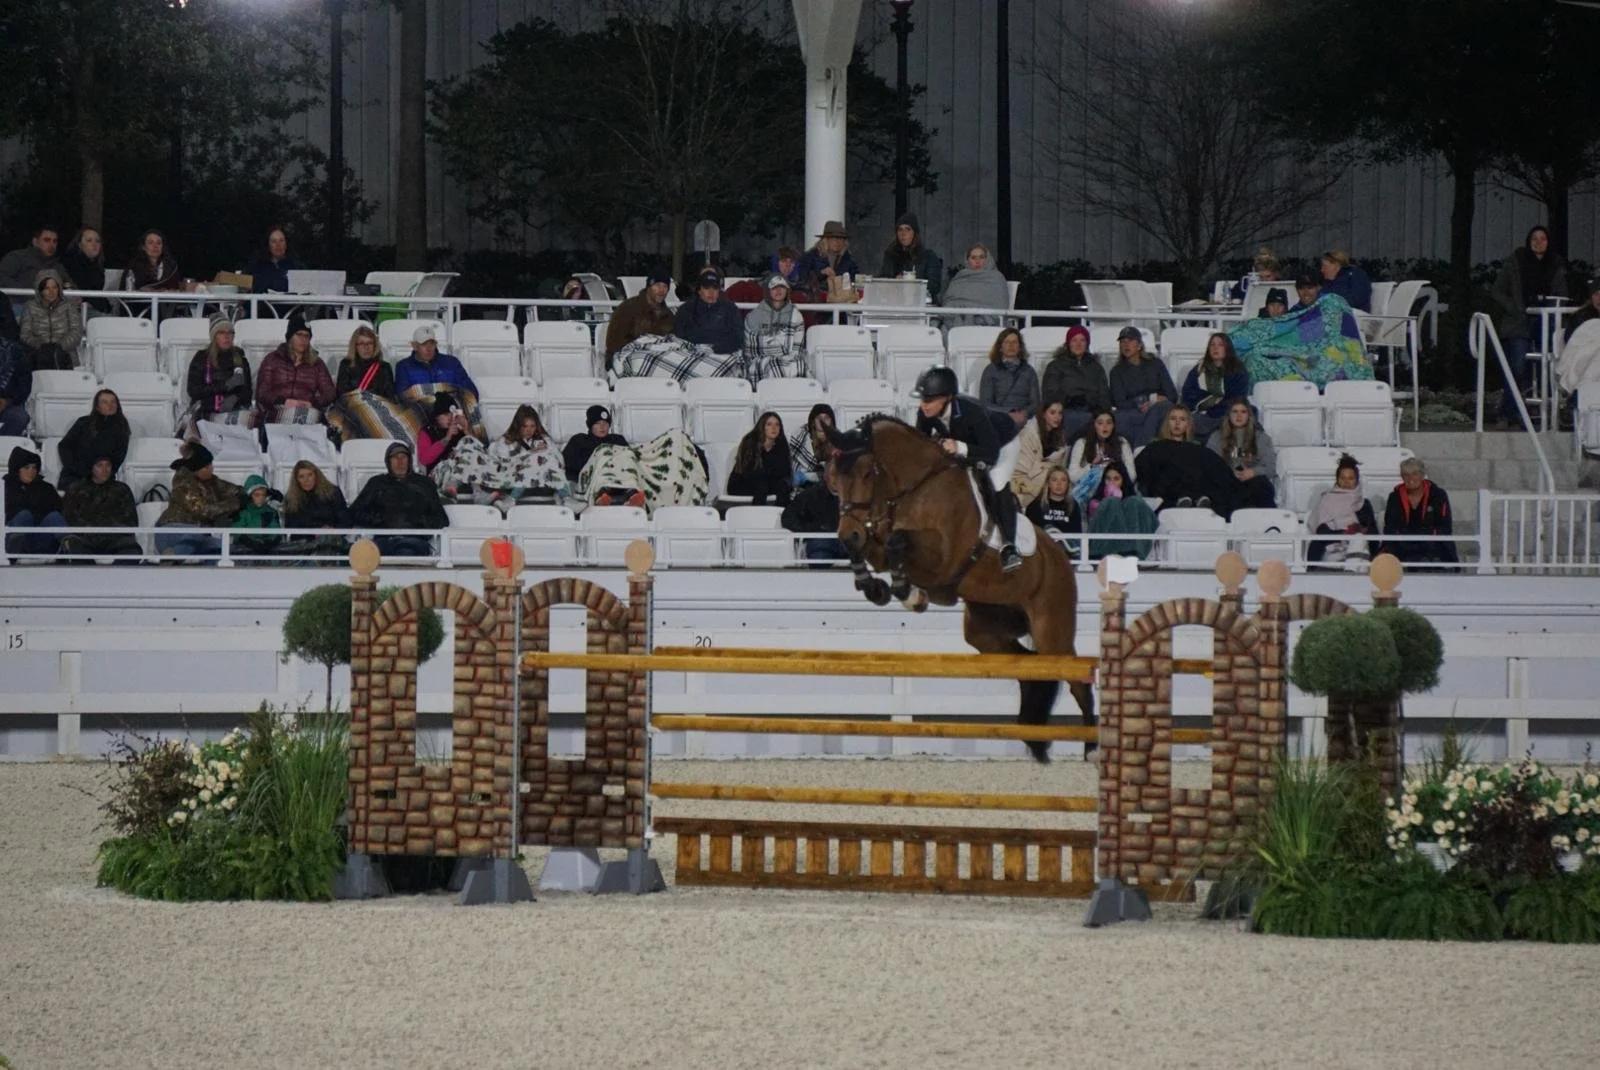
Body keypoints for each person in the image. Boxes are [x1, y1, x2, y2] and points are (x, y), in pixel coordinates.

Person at [913, 365, 1023, 571]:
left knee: (996, 482)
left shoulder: (971, 411)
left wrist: (959, 446)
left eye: (928, 400)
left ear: (947, 397)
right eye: (922, 399)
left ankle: (1009, 547)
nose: (923, 405)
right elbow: (922, 446)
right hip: (973, 445)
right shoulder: (925, 414)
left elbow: (990, 453)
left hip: (1002, 444)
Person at [1227, 275, 1371, 388]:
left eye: (1310, 287)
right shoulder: (1296, 313)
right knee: (1255, 356)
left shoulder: (1330, 303)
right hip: (1294, 355)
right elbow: (1282, 332)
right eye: (1302, 288)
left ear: (1318, 287)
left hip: (1322, 357)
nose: (1306, 292)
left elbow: (1337, 333)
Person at [1491, 225, 1569, 428]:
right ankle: (1510, 411)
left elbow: (1562, 294)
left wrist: (1554, 308)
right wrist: (1514, 308)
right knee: (1516, 367)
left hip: (1546, 319)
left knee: (1549, 365)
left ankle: (1541, 412)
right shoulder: (1516, 261)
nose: (1539, 242)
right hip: (1519, 320)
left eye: (1543, 238)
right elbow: (1497, 290)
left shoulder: (1556, 264)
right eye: (1534, 238)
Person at [1135, 406, 1265, 517]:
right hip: (1168, 486)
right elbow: (1144, 470)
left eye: (1182, 419)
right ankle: (1186, 498)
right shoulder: (1155, 446)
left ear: (1188, 424)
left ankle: (1198, 500)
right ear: (1166, 423)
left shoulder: (1198, 448)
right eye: (1173, 419)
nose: (1177, 423)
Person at [349, 442, 449, 558]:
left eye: (403, 457)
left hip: (414, 540)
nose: (399, 462)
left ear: (409, 460)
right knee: (366, 555)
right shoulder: (377, 483)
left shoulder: (424, 484)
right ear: (388, 461)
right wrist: (380, 518)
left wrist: (417, 520)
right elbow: (354, 513)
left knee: (405, 552)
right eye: (395, 458)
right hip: (383, 540)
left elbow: (442, 519)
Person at [155, 445, 242, 559]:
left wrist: (250, 493)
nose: (211, 469)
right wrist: (235, 503)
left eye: (211, 464)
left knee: (219, 547)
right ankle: (171, 559)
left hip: (199, 533)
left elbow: (233, 490)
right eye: (206, 466)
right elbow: (202, 510)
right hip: (172, 530)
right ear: (196, 468)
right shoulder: (184, 483)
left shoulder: (212, 481)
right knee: (194, 534)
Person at [394, 325, 483, 435]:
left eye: (432, 344)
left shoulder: (451, 362)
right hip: (422, 420)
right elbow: (402, 397)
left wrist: (452, 410)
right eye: (424, 344)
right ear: (414, 346)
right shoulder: (404, 366)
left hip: (452, 416)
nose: (429, 348)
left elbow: (471, 392)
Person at [255, 316, 335, 426]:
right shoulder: (273, 359)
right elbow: (262, 393)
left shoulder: (316, 363)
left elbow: (329, 393)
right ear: (290, 337)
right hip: (278, 411)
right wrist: (284, 402)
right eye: (299, 335)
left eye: (307, 336)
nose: (303, 340)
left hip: (307, 413)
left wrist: (311, 403)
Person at [486, 405, 569, 509]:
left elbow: (560, 462)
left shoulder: (544, 440)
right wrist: (531, 453)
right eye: (524, 426)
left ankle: (566, 498)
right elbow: (503, 465)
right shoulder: (505, 441)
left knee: (545, 456)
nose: (529, 430)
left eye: (532, 426)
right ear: (517, 426)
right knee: (536, 458)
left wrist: (545, 450)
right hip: (511, 479)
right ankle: (566, 497)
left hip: (543, 480)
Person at [60, 455, 141, 559]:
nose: (104, 470)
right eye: (99, 465)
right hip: (86, 538)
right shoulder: (76, 489)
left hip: (115, 539)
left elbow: (131, 520)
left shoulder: (122, 489)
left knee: (133, 550)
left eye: (108, 465)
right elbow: (70, 517)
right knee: (74, 546)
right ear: (92, 468)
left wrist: (110, 528)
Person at [1109, 325, 1177, 447]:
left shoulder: (1155, 364)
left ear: (1139, 345)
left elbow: (1172, 395)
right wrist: (1143, 402)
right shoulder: (1116, 372)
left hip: (1158, 408)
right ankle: (1143, 446)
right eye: (1123, 342)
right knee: (1121, 418)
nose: (1126, 345)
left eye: (1130, 341)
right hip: (1134, 411)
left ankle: (1140, 448)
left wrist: (1153, 401)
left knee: (1164, 407)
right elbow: (1120, 402)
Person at [1381, 457, 1457, 567]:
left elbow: (1444, 527)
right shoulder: (1394, 497)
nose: (1410, 478)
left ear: (1422, 475)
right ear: (1402, 477)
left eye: (1414, 474)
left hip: (1433, 546)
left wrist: (1423, 537)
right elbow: (1390, 527)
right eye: (1406, 474)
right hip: (1402, 546)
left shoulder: (1438, 495)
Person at [182, 318, 253, 434]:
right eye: (222, 332)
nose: (227, 336)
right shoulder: (201, 358)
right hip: (205, 409)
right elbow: (193, 390)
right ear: (214, 336)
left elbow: (247, 393)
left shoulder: (240, 360)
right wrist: (224, 386)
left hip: (233, 411)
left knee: (251, 420)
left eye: (230, 332)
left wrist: (235, 399)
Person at [1039, 325, 1111, 440]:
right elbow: (1050, 393)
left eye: (1082, 340)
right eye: (1074, 340)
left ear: (1087, 344)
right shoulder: (1056, 366)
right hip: (1066, 410)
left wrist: (1096, 407)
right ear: (1068, 343)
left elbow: (1104, 395)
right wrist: (1069, 399)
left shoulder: (1096, 368)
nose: (1078, 344)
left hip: (1091, 411)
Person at [1306, 453, 1378, 566]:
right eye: (1342, 478)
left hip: (1358, 547)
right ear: (1337, 479)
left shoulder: (1363, 504)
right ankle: (1351, 572)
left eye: (1350, 478)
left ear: (1357, 480)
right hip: (1332, 548)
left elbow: (1373, 534)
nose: (1346, 482)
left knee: (1358, 539)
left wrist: (1360, 530)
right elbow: (1321, 532)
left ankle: (1350, 571)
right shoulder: (1326, 500)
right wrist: (1345, 533)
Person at [1206, 399, 1277, 508]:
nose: (1239, 415)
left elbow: (1270, 468)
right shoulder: (1216, 437)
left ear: (1249, 415)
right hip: (1227, 483)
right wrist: (1230, 473)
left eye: (1243, 412)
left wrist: (1253, 472)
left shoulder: (1262, 438)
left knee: (1261, 486)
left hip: (1254, 482)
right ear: (1228, 415)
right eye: (1235, 411)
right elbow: (1211, 466)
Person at [416, 394, 488, 500]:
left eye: (451, 414)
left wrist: (466, 430)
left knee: (469, 450)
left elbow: (481, 454)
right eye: (445, 414)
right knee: (457, 459)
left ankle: (477, 492)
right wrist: (446, 438)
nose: (449, 418)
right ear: (436, 416)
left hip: (461, 473)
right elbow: (424, 459)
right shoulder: (427, 431)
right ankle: (451, 489)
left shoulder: (459, 431)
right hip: (437, 474)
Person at [1084, 459, 1157, 560]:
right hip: (1101, 549)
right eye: (1108, 479)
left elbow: (1152, 521)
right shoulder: (1095, 502)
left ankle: (1134, 552)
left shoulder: (1133, 502)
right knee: (1112, 502)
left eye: (1116, 479)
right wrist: (1112, 498)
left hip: (1129, 551)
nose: (1112, 483)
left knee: (1133, 501)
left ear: (1123, 481)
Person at [58, 389, 130, 491]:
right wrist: (78, 470)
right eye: (105, 402)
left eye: (113, 401)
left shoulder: (122, 428)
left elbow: (118, 458)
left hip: (104, 479)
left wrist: (102, 474)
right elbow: (64, 446)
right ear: (97, 406)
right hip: (75, 476)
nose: (110, 405)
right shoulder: (83, 423)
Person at [1180, 332, 1249, 439]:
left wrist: (1214, 405)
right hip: (1202, 413)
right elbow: (1187, 394)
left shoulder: (1238, 370)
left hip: (1226, 413)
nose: (1215, 348)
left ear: (1227, 348)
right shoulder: (1199, 370)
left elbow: (1238, 397)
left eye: (1220, 345)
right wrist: (1211, 400)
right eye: (1212, 345)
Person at [562, 404, 636, 501]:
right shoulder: (579, 440)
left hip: (619, 479)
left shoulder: (618, 440)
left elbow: (630, 459)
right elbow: (566, 463)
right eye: (597, 423)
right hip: (591, 480)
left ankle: (631, 495)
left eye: (606, 423)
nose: (602, 426)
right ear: (590, 425)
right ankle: (602, 495)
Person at [603, 270, 676, 365]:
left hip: (657, 361)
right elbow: (613, 342)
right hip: (626, 360)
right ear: (649, 286)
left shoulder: (668, 315)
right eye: (657, 285)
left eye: (665, 286)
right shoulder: (628, 308)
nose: (661, 291)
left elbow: (673, 341)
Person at [4, 446, 65, 557]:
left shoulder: (46, 488)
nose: (31, 471)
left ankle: (70, 545)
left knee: (54, 516)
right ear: (17, 469)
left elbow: (57, 509)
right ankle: (14, 549)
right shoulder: (5, 487)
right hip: (10, 536)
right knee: (24, 516)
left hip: (40, 536)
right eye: (26, 467)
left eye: (34, 467)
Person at [742, 273, 806, 379]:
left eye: (782, 287)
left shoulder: (796, 316)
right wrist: (777, 348)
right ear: (767, 291)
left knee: (796, 366)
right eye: (774, 287)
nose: (778, 290)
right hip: (761, 362)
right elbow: (751, 349)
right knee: (772, 366)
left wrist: (772, 345)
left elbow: (796, 350)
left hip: (788, 362)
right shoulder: (754, 316)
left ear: (787, 290)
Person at [18, 269, 83, 371]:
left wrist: (59, 347)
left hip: (67, 357)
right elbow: (25, 334)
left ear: (59, 288)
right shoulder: (30, 307)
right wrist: (41, 346)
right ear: (40, 290)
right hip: (37, 358)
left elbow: (76, 332)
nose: (51, 292)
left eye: (54, 287)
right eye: (47, 288)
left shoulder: (69, 306)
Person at [282, 460, 350, 555]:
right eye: (302, 477)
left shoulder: (333, 492)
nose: (306, 480)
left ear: (316, 475)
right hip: (304, 543)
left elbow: (345, 520)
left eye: (310, 475)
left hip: (331, 539)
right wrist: (314, 531)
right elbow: (291, 526)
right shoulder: (291, 499)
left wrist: (331, 530)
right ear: (296, 480)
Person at [782, 464, 845, 564]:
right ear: (825, 476)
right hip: (819, 541)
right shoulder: (810, 495)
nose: (836, 480)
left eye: (840, 475)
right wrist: (810, 528)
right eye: (833, 475)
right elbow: (787, 517)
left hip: (845, 541)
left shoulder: (852, 498)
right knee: (820, 554)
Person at [1065, 409, 1137, 495]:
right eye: (1100, 423)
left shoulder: (1122, 442)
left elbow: (1132, 475)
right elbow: (1072, 476)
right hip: (1090, 491)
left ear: (1113, 426)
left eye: (1109, 423)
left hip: (1117, 490)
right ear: (1094, 425)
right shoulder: (1082, 443)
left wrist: (1115, 474)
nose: (1105, 426)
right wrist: (1092, 467)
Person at [978, 327, 1040, 427]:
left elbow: (1035, 402)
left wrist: (1024, 414)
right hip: (999, 417)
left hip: (1024, 419)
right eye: (1007, 342)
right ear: (1000, 347)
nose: (1011, 346)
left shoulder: (1029, 371)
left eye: (1015, 342)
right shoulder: (990, 370)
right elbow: (985, 403)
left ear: (1020, 347)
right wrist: (1008, 413)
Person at [727, 411, 793, 506]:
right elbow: (749, 471)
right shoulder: (750, 442)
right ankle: (758, 517)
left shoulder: (782, 445)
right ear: (762, 426)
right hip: (743, 483)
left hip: (767, 483)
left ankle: (781, 517)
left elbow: (783, 472)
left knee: (783, 486)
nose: (774, 428)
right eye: (769, 424)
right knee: (762, 484)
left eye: (777, 425)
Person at [1012, 401, 1069, 508]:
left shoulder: (1061, 438)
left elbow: (1060, 469)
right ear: (1043, 414)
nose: (1057, 417)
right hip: (1022, 482)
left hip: (1047, 484)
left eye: (1060, 413)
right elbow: (1020, 470)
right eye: (1052, 413)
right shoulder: (1028, 435)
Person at [879, 213, 945, 303]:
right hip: (894, 304)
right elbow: (882, 280)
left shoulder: (928, 256)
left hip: (920, 306)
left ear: (915, 233)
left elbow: (935, 286)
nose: (903, 234)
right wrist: (894, 281)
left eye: (908, 229)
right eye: (900, 230)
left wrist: (912, 283)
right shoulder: (890, 255)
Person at [675, 270, 743, 356]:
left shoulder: (730, 309)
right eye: (707, 288)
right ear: (699, 290)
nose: (711, 292)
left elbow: (738, 338)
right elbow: (680, 336)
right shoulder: (686, 309)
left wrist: (715, 348)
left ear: (719, 290)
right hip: (692, 355)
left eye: (715, 288)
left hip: (724, 355)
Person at [941, 242, 1009, 325]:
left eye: (982, 257)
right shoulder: (960, 277)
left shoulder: (997, 278)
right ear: (967, 260)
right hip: (958, 322)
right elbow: (949, 303)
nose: (977, 261)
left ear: (988, 259)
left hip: (989, 325)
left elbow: (1000, 305)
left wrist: (967, 308)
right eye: (973, 257)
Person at [1025, 465, 1082, 553]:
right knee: (1048, 530)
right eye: (1054, 480)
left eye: (1063, 480)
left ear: (1068, 484)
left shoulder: (1073, 506)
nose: (1059, 484)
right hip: (1043, 550)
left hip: (1067, 550)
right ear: (1048, 483)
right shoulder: (1035, 506)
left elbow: (1076, 534)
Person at [795, 220, 860, 297]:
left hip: (841, 303)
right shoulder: (811, 257)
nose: (837, 242)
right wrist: (821, 273)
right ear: (826, 239)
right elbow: (802, 281)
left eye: (841, 239)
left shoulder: (848, 260)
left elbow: (855, 280)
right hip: (817, 303)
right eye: (834, 238)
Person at [0, 225, 65, 295]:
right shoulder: (17, 257)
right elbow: (2, 277)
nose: (52, 245)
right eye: (47, 240)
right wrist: (26, 290)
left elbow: (71, 288)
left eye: (55, 241)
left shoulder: (58, 267)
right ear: (35, 242)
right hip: (18, 302)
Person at [231, 474, 284, 557]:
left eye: (263, 495)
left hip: (269, 554)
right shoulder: (243, 512)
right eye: (257, 495)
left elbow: (276, 531)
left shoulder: (271, 511)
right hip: (245, 554)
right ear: (249, 495)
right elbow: (237, 532)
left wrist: (269, 543)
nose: (261, 498)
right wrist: (251, 543)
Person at [245, 227, 305, 295]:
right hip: (262, 304)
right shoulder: (257, 264)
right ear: (268, 245)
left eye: (281, 240)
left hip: (291, 304)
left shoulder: (296, 264)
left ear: (286, 243)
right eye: (274, 241)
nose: (278, 245)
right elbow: (244, 284)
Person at [61, 227, 108, 311]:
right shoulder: (72, 264)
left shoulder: (97, 266)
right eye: (89, 240)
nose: (94, 244)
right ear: (79, 245)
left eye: (97, 241)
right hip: (79, 310)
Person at [790, 403, 836, 486]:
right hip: (803, 490)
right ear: (813, 421)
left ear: (831, 421)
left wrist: (808, 476)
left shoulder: (837, 441)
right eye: (819, 418)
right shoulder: (800, 439)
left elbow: (836, 473)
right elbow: (794, 473)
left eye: (826, 418)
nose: (822, 421)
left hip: (829, 489)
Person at [0, 330, 34, 436]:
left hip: (5, 404)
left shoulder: (15, 352)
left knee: (20, 417)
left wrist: (7, 401)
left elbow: (24, 386)